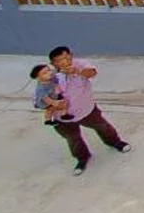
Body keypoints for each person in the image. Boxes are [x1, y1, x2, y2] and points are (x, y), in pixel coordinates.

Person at [47, 46, 129, 174]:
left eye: (66, 58)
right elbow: (43, 98)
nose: (64, 62)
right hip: (63, 117)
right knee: (73, 139)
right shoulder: (49, 76)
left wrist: (77, 71)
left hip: (87, 110)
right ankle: (82, 158)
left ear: (71, 56)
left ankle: (115, 142)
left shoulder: (81, 64)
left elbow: (92, 73)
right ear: (53, 63)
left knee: (103, 126)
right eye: (59, 60)